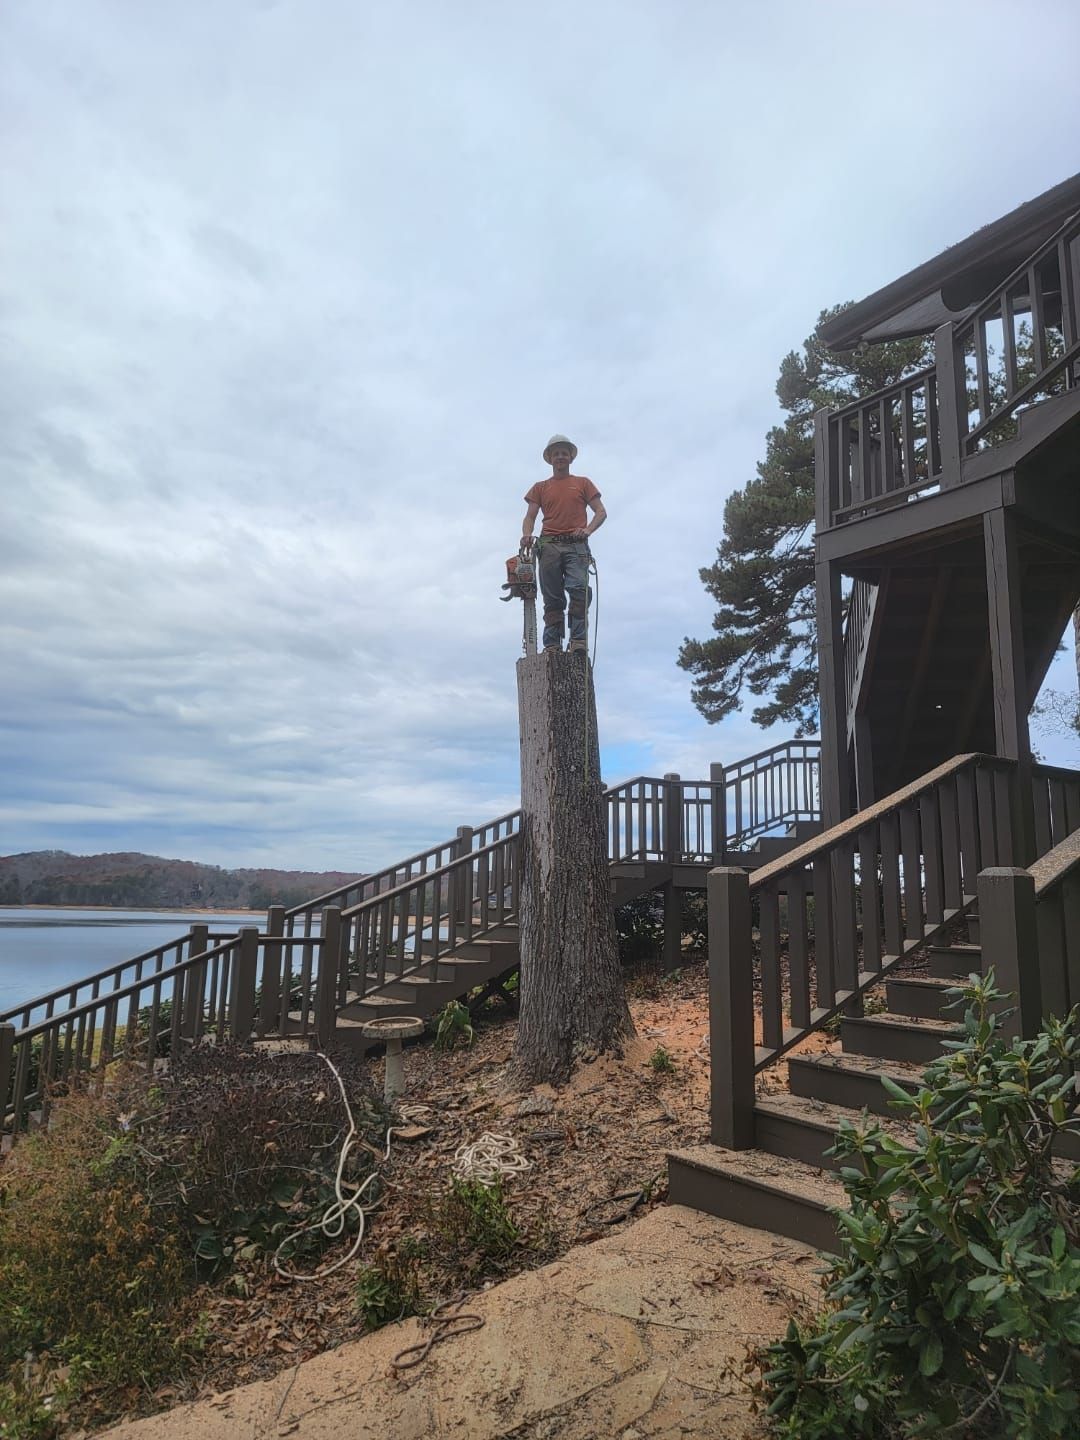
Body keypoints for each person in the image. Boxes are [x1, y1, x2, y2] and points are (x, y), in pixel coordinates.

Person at [520, 434, 607, 654]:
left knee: (578, 590)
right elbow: (530, 516)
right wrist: (527, 534)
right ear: (550, 458)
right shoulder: (540, 488)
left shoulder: (582, 483)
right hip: (549, 545)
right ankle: (552, 644)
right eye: (556, 453)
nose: (560, 457)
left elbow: (600, 512)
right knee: (553, 597)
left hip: (576, 545)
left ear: (570, 458)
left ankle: (578, 641)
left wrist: (587, 530)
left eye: (564, 453)